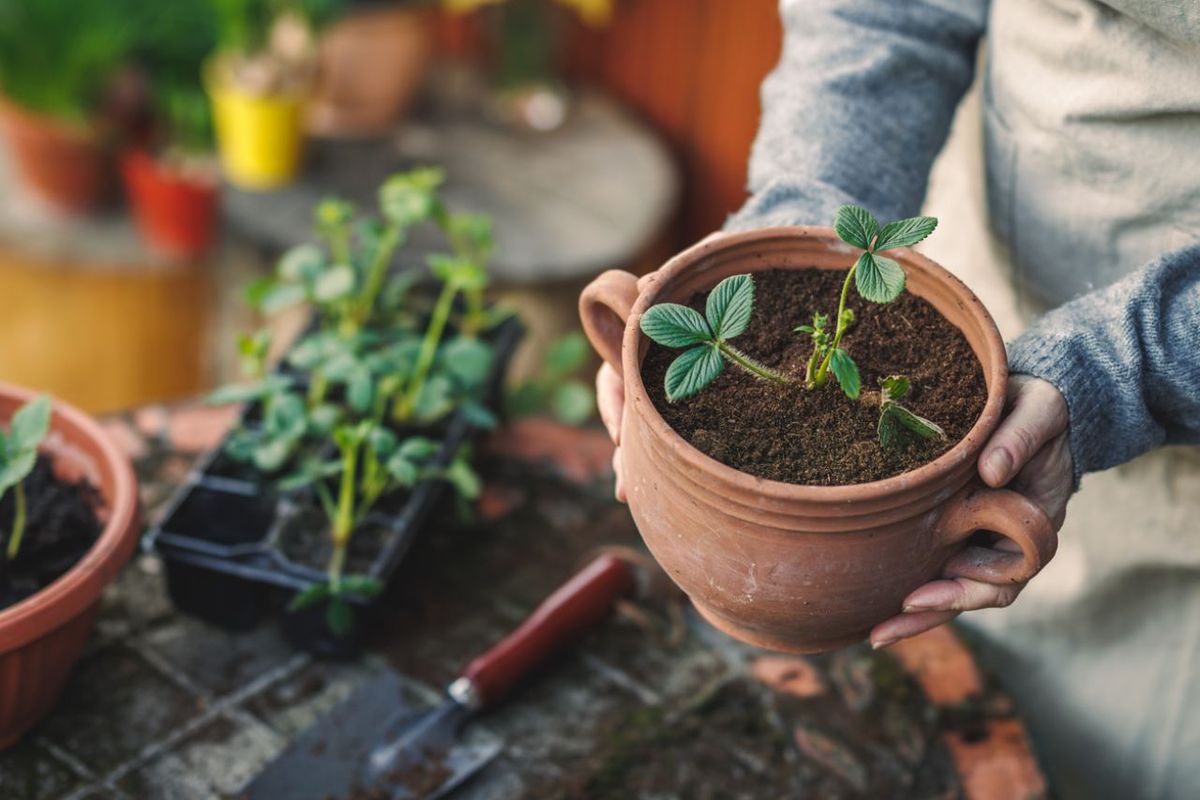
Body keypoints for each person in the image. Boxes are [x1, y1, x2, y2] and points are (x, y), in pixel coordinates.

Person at [594, 1, 1200, 797]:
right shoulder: (859, 286)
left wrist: (1125, 371)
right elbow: (884, 12)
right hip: (977, 285)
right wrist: (801, 214)